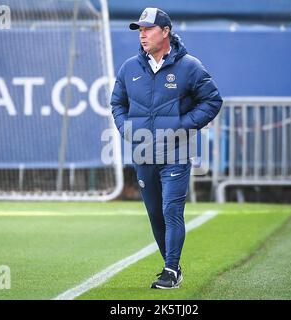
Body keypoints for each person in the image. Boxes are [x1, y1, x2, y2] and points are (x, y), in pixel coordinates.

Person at [111, 7, 222, 289]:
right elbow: (117, 104)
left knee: (172, 210)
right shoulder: (129, 68)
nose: (143, 34)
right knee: (155, 213)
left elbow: (212, 101)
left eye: (148, 29)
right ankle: (172, 266)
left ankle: (170, 269)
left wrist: (183, 125)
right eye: (140, 30)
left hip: (176, 152)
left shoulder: (190, 66)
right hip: (142, 152)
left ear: (165, 32)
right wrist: (125, 128)